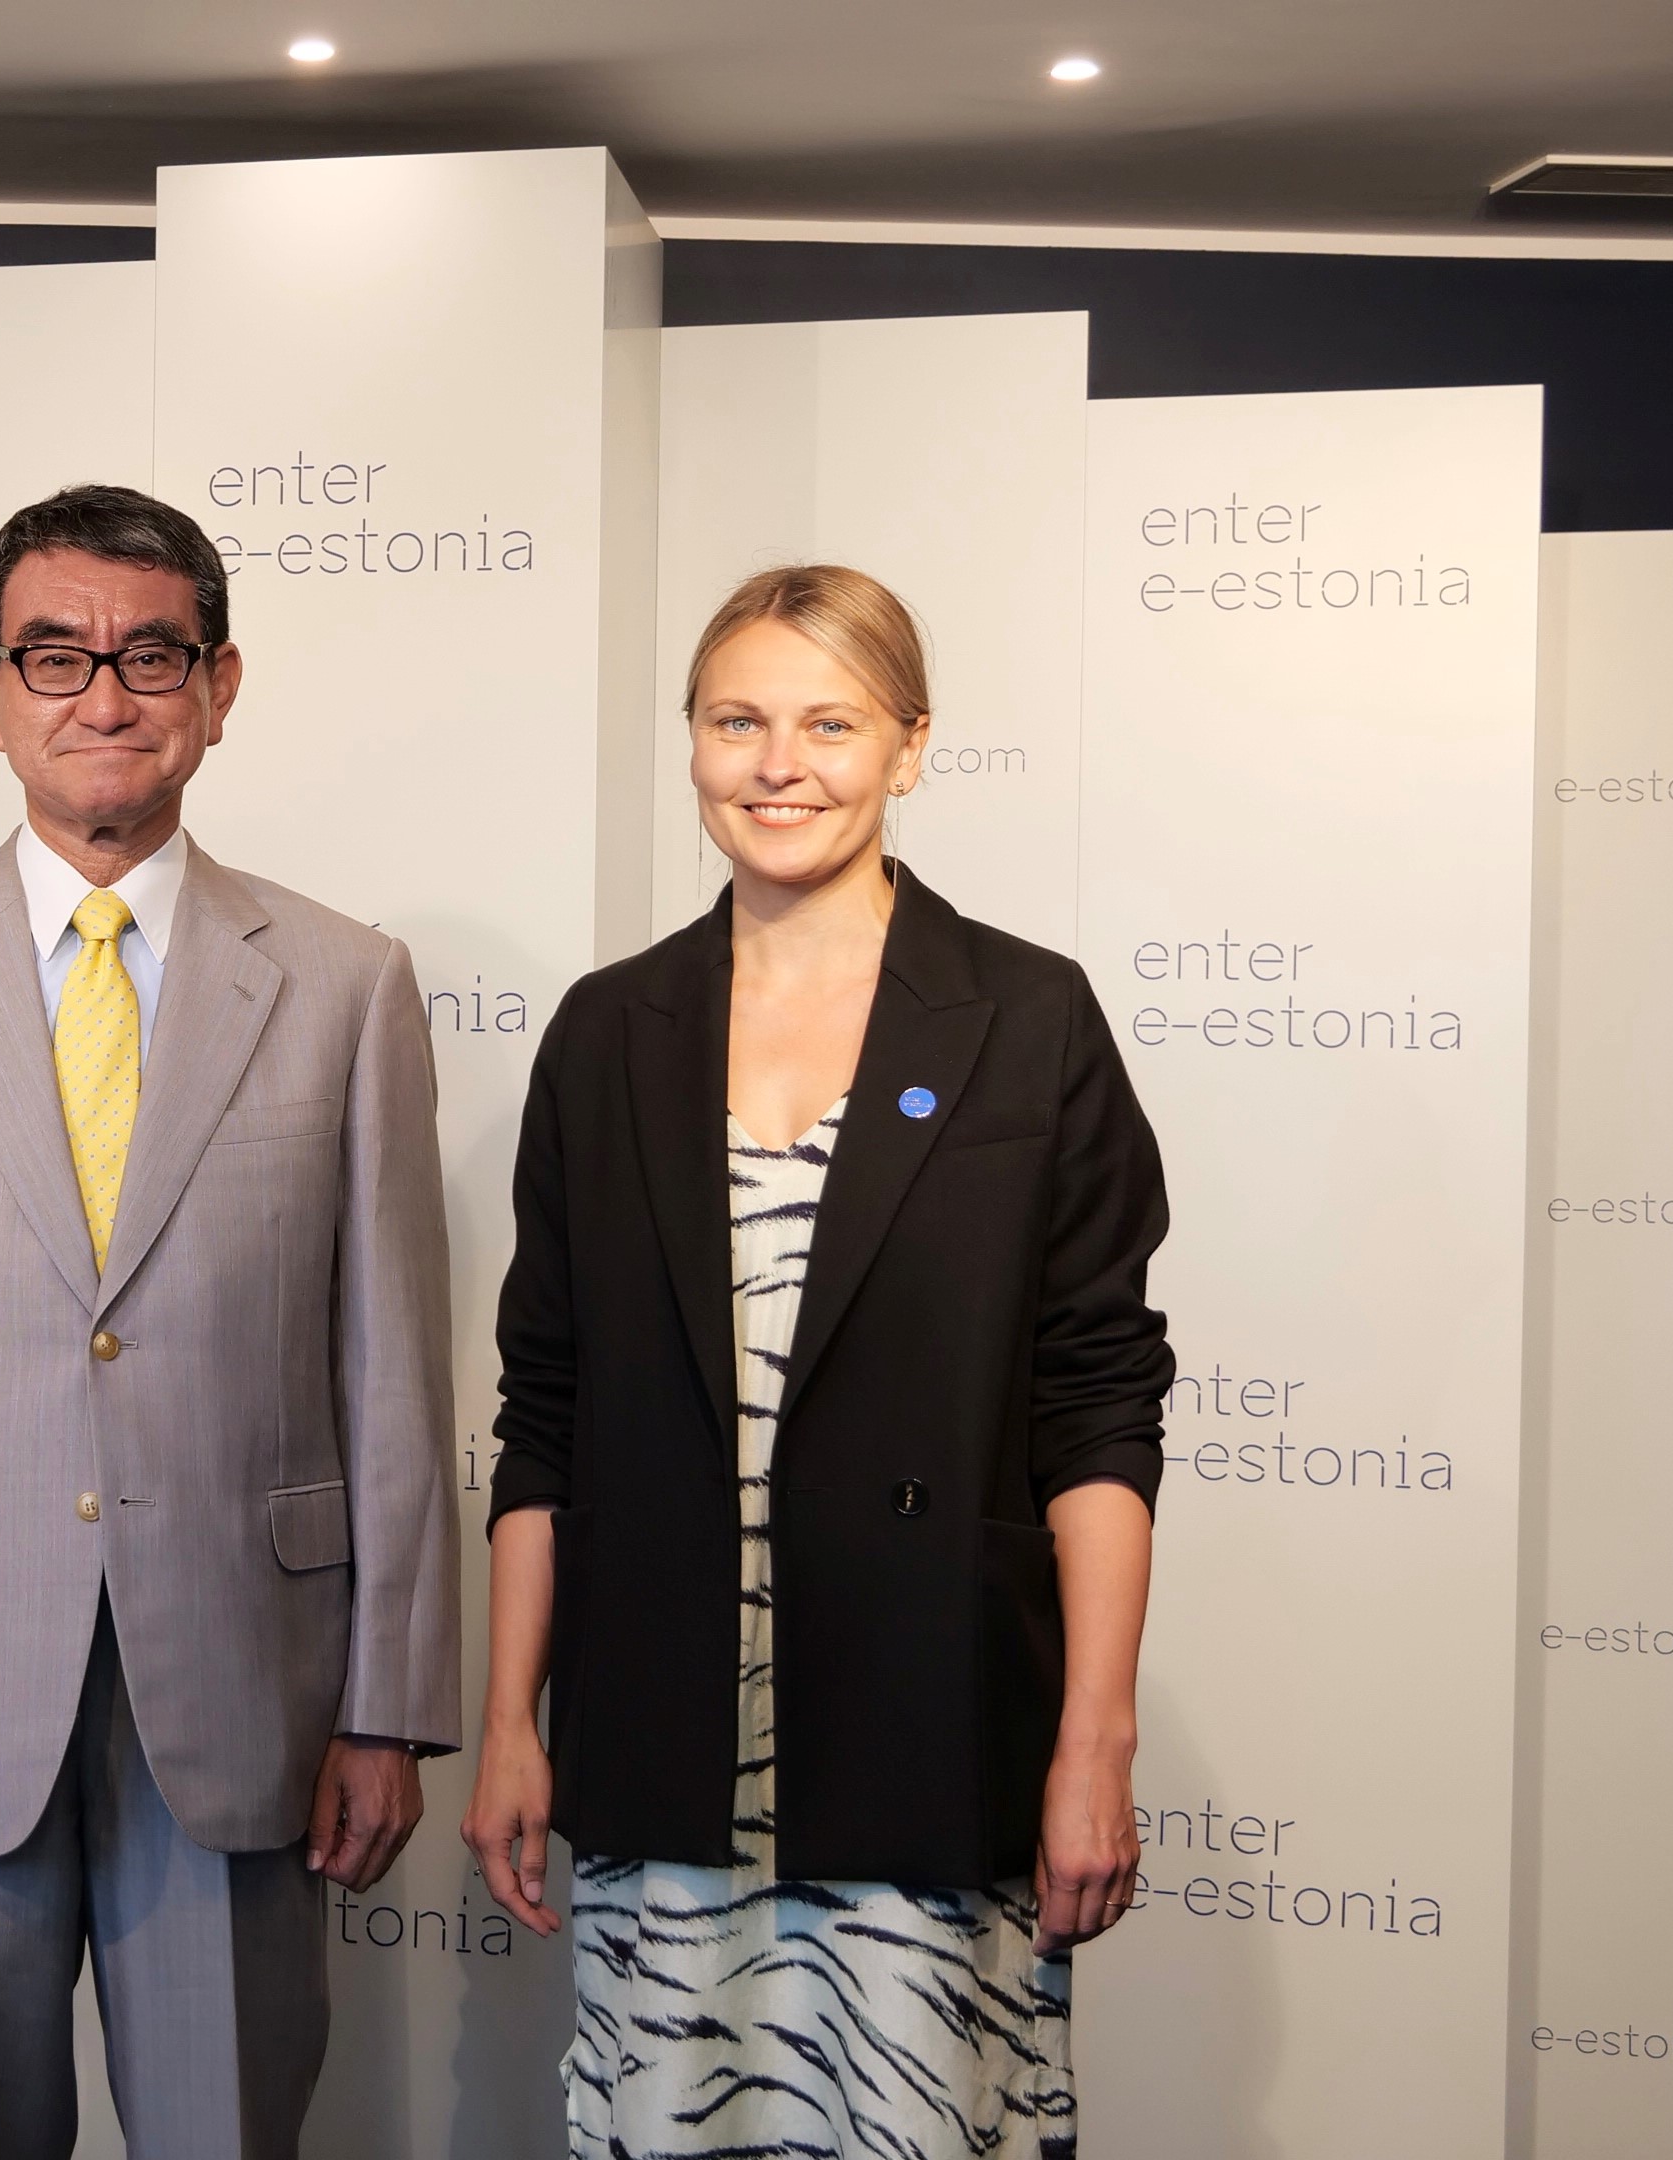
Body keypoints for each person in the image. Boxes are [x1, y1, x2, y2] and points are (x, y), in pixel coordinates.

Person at [0, 484, 459, 2160]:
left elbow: (397, 1375)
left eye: (151, 654)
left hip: (246, 1689)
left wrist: (388, 1703)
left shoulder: (347, 983)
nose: (105, 697)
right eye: (53, 658)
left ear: (219, 688)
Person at [462, 565, 1171, 2160]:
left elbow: (1097, 1408)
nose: (778, 763)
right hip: (663, 1742)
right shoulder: (605, 1031)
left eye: (828, 722)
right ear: (695, 745)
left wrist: (1095, 1742)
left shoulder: (1026, 1019)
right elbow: (544, 1410)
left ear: (910, 748)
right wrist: (515, 1715)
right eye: (738, 721)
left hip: (935, 1740)